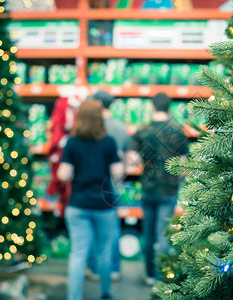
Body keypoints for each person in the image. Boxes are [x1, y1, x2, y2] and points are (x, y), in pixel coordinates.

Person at [58, 100, 123, 300]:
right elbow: (117, 173)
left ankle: (74, 297)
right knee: (104, 252)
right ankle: (105, 293)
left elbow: (63, 174)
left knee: (78, 254)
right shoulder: (109, 142)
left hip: (78, 205)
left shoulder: (72, 143)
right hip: (104, 206)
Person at [126, 92, 189, 285]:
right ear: (168, 107)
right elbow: (183, 164)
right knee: (163, 234)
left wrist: (143, 162)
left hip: (148, 189)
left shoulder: (142, 130)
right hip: (169, 190)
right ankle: (161, 277)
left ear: (152, 106)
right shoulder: (177, 131)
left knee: (148, 233)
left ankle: (149, 274)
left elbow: (131, 159)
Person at [87, 90, 131, 281]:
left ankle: (94, 269)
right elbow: (127, 159)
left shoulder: (89, 127)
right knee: (112, 228)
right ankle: (113, 268)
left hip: (90, 183)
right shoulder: (121, 128)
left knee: (89, 228)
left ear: (97, 103)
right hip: (112, 184)